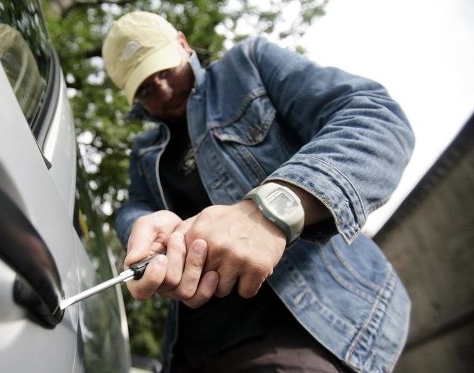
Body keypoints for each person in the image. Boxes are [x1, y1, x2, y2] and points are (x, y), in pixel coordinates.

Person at [102, 11, 414, 373]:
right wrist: (138, 224)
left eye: (164, 72)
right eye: (146, 89)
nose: (165, 91)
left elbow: (375, 118)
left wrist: (273, 208)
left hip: (299, 331)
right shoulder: (143, 151)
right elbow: (135, 206)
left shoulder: (249, 66)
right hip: (192, 348)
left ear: (183, 45)